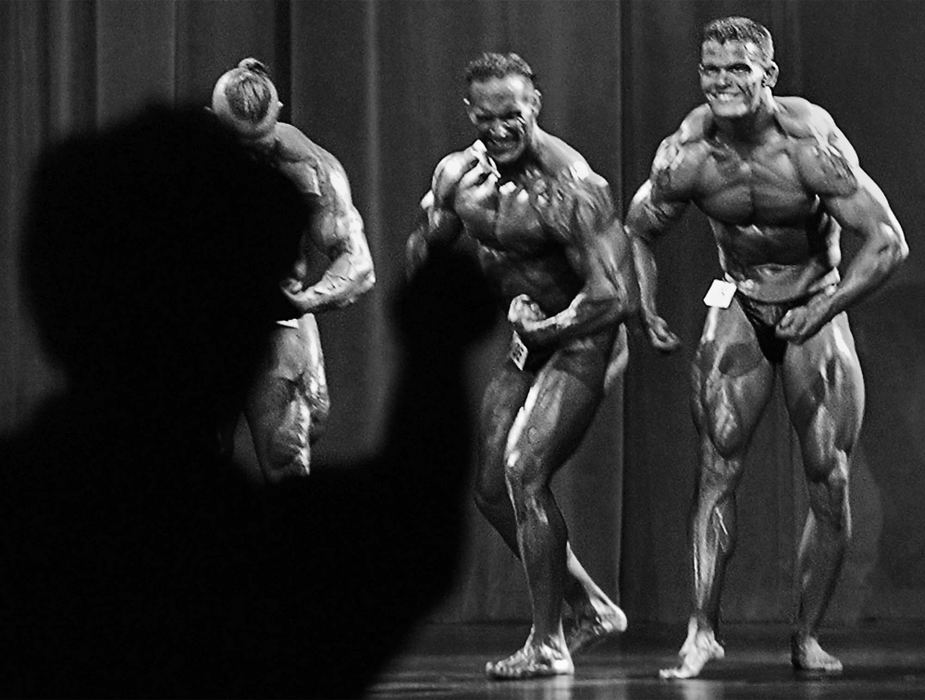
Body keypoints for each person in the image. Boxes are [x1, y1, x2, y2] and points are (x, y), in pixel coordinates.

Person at [624, 16, 908, 679]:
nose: (720, 82)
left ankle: (805, 636)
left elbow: (887, 240)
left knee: (828, 478)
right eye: (710, 70)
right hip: (739, 302)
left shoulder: (808, 143)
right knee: (715, 469)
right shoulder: (686, 154)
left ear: (766, 76)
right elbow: (637, 228)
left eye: (736, 70)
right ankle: (701, 633)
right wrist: (643, 303)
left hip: (816, 299)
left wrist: (823, 308)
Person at [406, 52, 638, 679]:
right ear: (470, 114)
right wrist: (430, 243)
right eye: (487, 119)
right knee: (488, 490)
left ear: (534, 104)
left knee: (523, 469)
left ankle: (549, 641)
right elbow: (423, 257)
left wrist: (550, 326)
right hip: (529, 342)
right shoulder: (458, 175)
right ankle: (589, 605)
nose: (501, 131)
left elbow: (616, 296)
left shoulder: (572, 186)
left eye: (513, 116)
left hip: (586, 336)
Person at [210, 58, 375, 483]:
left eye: (261, 146)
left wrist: (302, 300)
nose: (252, 158)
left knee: (289, 455)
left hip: (276, 315)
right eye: (238, 147)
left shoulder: (309, 167)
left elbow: (358, 264)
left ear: (279, 112)